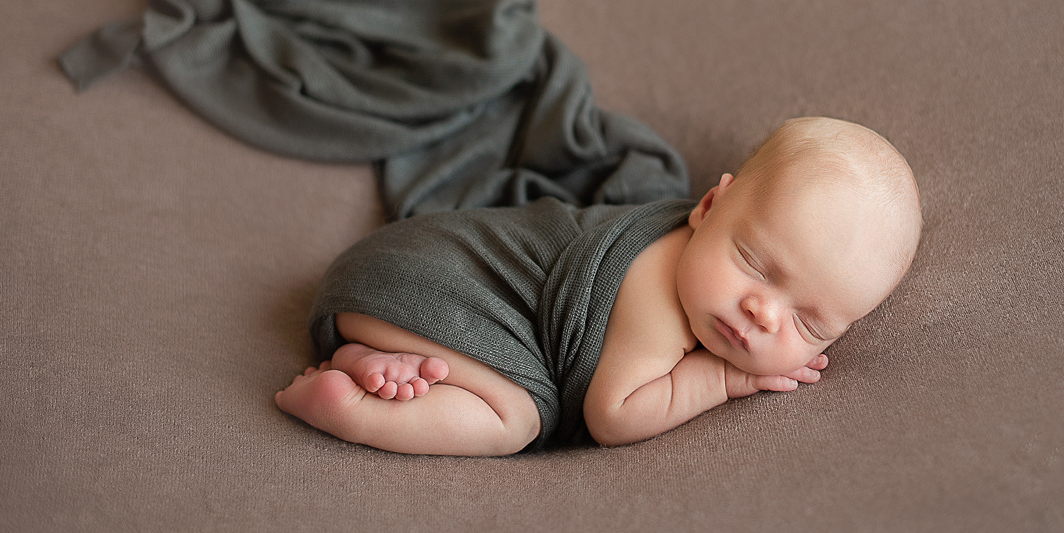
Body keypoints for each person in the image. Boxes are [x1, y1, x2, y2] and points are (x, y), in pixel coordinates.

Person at [275, 116, 923, 455]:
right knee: (514, 419)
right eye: (755, 263)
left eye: (808, 324)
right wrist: (723, 379)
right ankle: (349, 407)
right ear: (706, 206)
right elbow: (611, 416)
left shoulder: (703, 264)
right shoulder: (655, 298)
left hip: (401, 289)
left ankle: (369, 354)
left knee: (502, 378)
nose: (762, 313)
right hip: (431, 283)